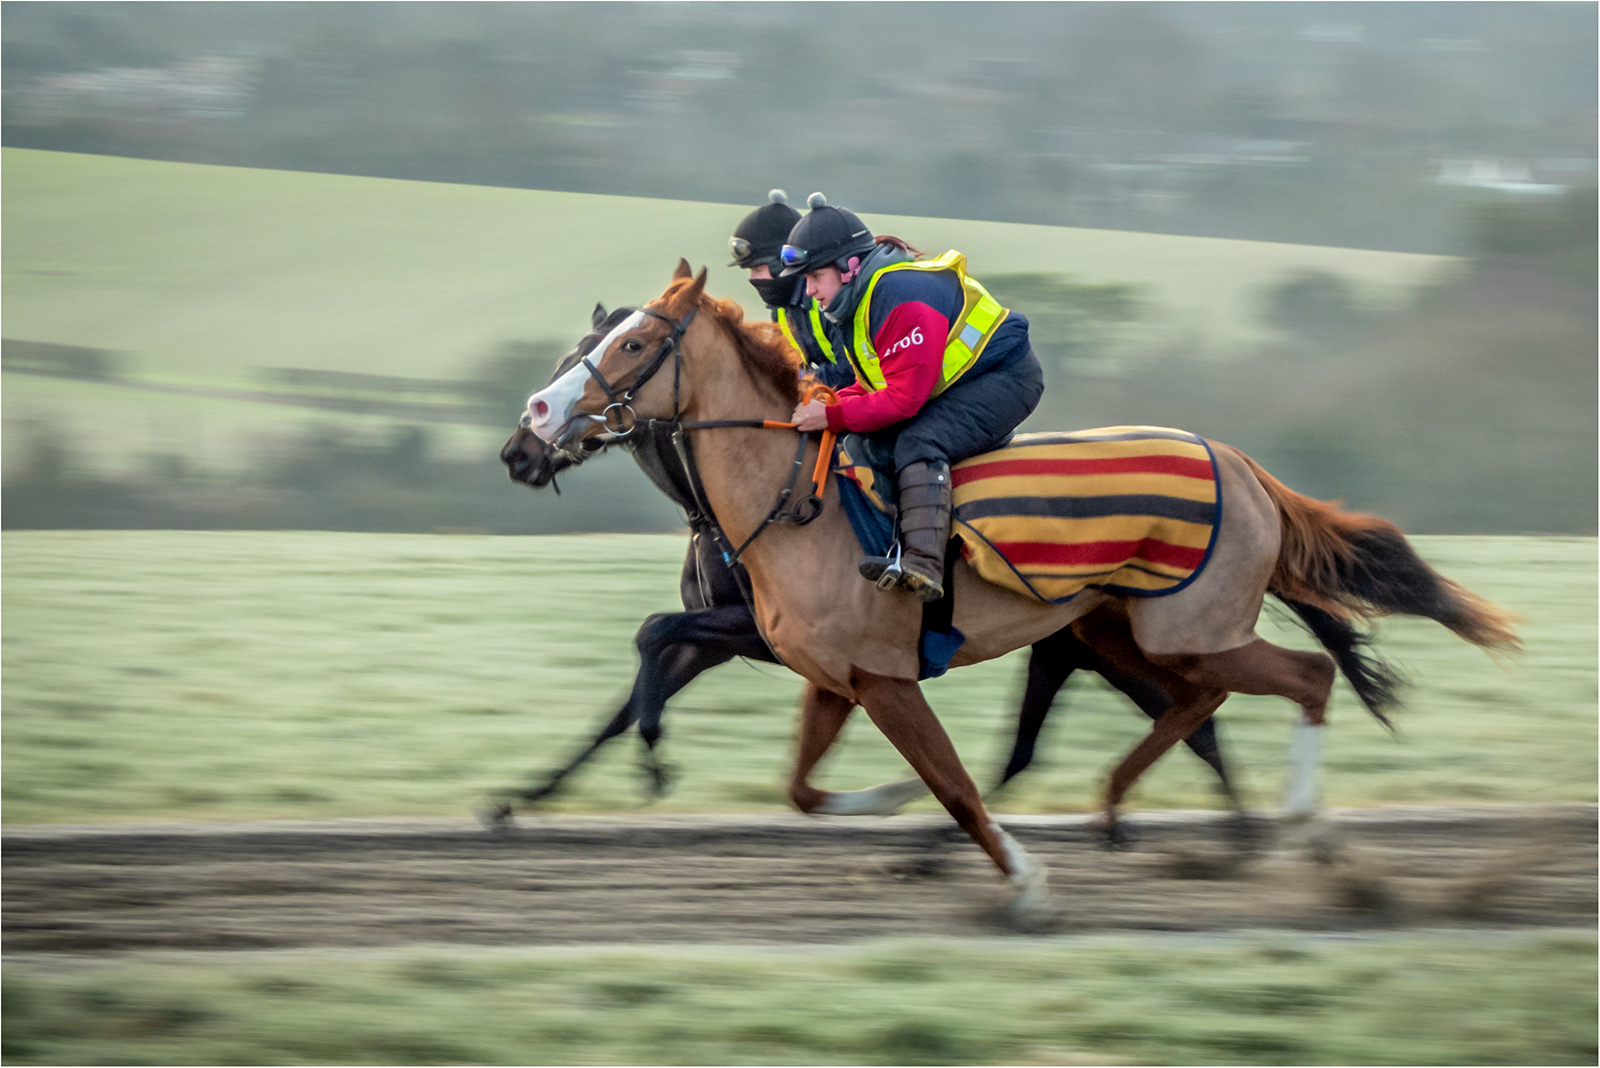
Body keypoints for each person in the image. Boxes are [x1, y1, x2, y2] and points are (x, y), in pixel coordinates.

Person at [779, 193, 1045, 602]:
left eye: (815, 277)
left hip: (1006, 379)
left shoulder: (896, 296)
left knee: (919, 440)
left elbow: (902, 401)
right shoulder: (858, 302)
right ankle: (896, 543)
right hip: (966, 382)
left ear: (850, 268)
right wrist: (828, 403)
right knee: (868, 440)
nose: (810, 290)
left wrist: (830, 417)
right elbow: (872, 383)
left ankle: (923, 565)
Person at [727, 189, 854, 391]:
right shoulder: (780, 310)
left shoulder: (828, 300)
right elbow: (798, 367)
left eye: (758, 269)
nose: (753, 279)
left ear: (782, 265)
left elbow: (849, 372)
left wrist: (790, 380)